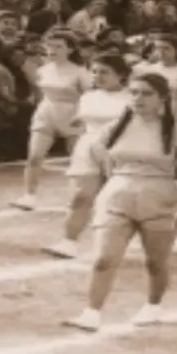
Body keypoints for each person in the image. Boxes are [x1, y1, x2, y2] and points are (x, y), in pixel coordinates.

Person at [63, 73, 177, 332]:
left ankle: (153, 305)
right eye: (135, 92)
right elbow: (96, 156)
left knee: (155, 262)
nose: (139, 98)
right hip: (117, 196)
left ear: (162, 98)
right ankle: (92, 312)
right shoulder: (114, 128)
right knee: (104, 258)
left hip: (160, 200)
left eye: (146, 93)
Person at [42, 54, 131, 259]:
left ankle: (114, 244)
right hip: (88, 149)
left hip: (119, 150)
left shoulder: (131, 99)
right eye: (95, 71)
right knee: (81, 196)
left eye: (104, 72)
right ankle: (69, 242)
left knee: (117, 202)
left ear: (121, 75)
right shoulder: (87, 97)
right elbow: (83, 121)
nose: (98, 76)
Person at [15, 31, 92, 211]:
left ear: (70, 50)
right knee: (34, 157)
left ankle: (76, 197)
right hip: (46, 112)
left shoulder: (79, 72)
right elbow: (40, 93)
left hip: (72, 114)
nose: (53, 50)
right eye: (50, 46)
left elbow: (89, 95)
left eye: (59, 46)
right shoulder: (42, 69)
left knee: (77, 160)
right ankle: (29, 196)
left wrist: (81, 115)